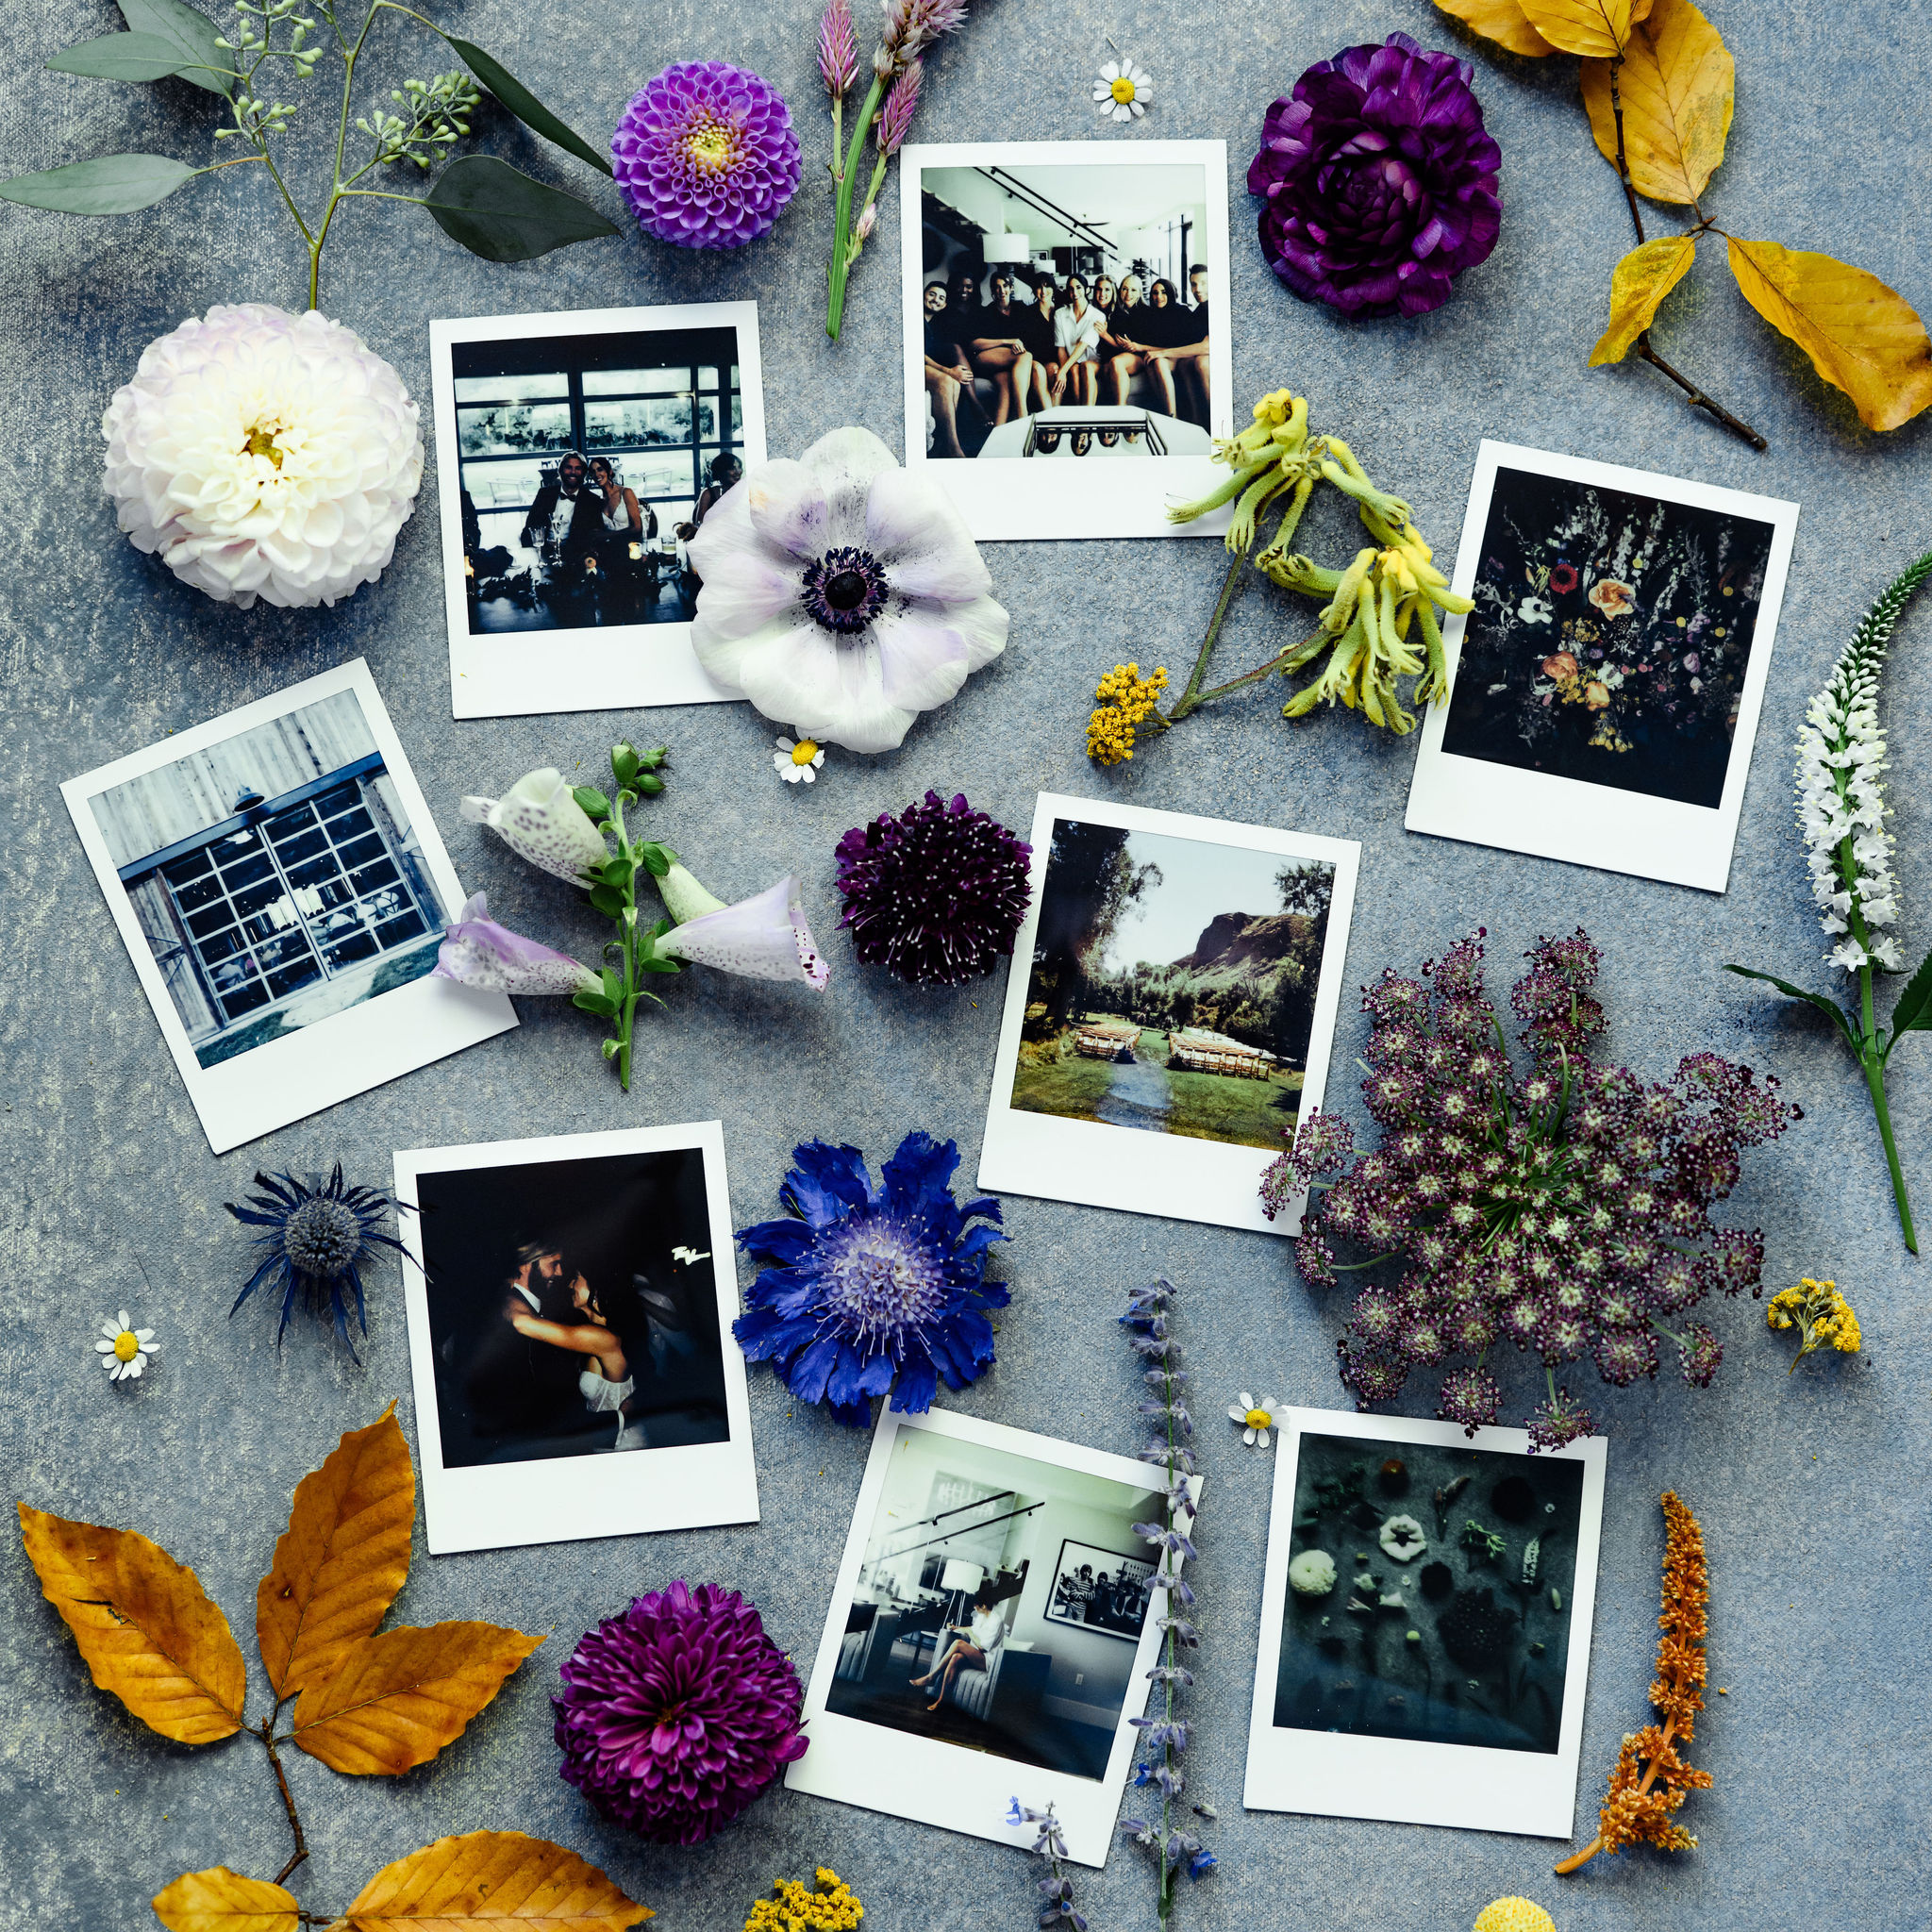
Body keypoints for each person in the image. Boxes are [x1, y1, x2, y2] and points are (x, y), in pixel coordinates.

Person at [908, 1585, 1006, 1712]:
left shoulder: (996, 1621)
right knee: (955, 1657)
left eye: (976, 1605)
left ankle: (931, 1677)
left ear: (983, 1606)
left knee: (959, 1643)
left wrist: (970, 1633)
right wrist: (956, 1627)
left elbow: (982, 1647)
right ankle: (941, 1700)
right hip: (976, 1655)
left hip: (988, 1661)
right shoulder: (982, 1616)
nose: (974, 1607)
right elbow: (971, 1629)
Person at [964, 271, 1036, 425]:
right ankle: (1023, 416)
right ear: (992, 291)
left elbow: (1029, 338)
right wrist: (1006, 341)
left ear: (1011, 288)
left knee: (1005, 388)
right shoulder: (985, 312)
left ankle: (995, 438)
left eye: (1005, 286)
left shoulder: (1021, 309)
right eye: (997, 287)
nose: (1001, 291)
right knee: (1025, 356)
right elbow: (974, 344)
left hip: (1006, 365)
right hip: (985, 359)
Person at [922, 279, 980, 459]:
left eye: (941, 298)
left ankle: (942, 442)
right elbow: (916, 353)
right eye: (931, 294)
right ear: (923, 294)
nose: (935, 300)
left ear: (945, 304)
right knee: (948, 380)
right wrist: (948, 371)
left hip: (927, 366)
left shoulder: (936, 324)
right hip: (915, 364)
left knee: (954, 384)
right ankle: (953, 447)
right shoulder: (916, 318)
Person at [1103, 272, 1162, 408]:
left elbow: (1155, 343)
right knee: (1109, 366)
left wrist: (1136, 345)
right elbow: (1115, 342)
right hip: (1121, 354)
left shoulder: (1148, 313)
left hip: (1141, 357)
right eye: (1125, 289)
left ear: (1140, 292)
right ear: (1120, 290)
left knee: (1117, 362)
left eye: (1133, 290)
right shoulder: (1115, 312)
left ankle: (1121, 409)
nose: (1128, 293)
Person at [1049, 274, 1104, 407]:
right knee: (1073, 370)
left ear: (1087, 290)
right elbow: (1061, 348)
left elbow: (1082, 346)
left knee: (1084, 366)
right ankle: (1081, 418)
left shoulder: (1098, 316)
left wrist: (1062, 371)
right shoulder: (1060, 314)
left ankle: (1087, 418)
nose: (1074, 292)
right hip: (1071, 363)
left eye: (1078, 287)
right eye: (1071, 289)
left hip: (1093, 362)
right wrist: (1065, 370)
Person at [1013, 275, 1058, 414]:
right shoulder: (1027, 313)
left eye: (1047, 286)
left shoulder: (1060, 312)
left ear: (1053, 288)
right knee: (1039, 370)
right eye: (1039, 287)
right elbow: (1022, 341)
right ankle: (1050, 421)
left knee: (1055, 370)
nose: (1043, 291)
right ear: (1034, 290)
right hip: (1033, 360)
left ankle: (1056, 418)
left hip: (1053, 360)